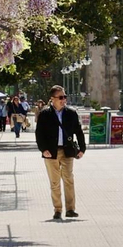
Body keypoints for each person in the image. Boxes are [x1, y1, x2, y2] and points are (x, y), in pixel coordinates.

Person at [35, 85, 85, 221]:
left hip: (67, 150)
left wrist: (82, 149)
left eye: (65, 97)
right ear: (52, 99)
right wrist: (43, 149)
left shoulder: (71, 113)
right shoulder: (45, 114)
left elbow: (79, 132)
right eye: (61, 97)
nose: (64, 100)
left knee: (69, 179)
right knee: (55, 182)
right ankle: (57, 209)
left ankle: (70, 209)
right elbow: (39, 134)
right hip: (51, 152)